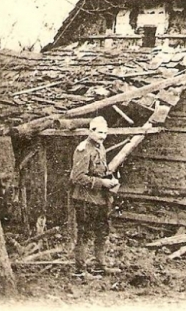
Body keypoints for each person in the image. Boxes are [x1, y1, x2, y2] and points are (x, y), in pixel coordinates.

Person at [69, 116, 120, 276]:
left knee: (102, 232)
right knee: (84, 233)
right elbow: (76, 177)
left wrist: (110, 179)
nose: (103, 136)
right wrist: (102, 183)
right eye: (99, 133)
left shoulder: (100, 146)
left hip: (100, 199)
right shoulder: (83, 149)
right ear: (90, 131)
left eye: (105, 133)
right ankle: (80, 269)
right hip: (85, 198)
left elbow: (101, 169)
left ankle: (100, 265)